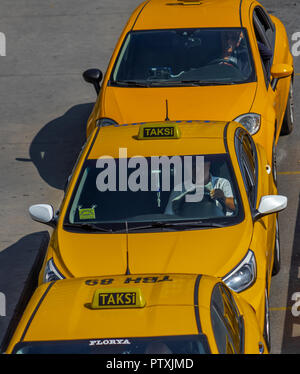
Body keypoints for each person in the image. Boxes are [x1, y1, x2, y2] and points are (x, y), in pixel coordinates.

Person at [165, 160, 235, 216]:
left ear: (208, 164)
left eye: (199, 165)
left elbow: (235, 208)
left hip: (223, 227)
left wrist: (223, 198)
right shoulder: (179, 189)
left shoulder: (222, 183)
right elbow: (169, 216)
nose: (196, 169)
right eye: (192, 166)